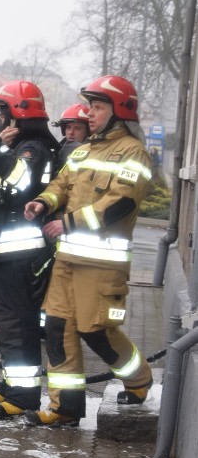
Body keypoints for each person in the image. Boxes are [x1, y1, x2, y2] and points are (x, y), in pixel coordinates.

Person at [23, 75, 154, 427]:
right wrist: (41, 202)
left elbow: (121, 203)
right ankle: (64, 407)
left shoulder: (133, 152)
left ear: (119, 111)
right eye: (90, 107)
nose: (89, 113)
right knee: (57, 327)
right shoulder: (83, 151)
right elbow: (61, 185)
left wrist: (68, 224)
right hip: (68, 260)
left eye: (97, 107)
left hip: (102, 266)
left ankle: (139, 380)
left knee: (96, 330)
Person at [0, 81, 60, 420]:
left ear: (18, 115)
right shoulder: (25, 146)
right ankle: (13, 385)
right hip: (6, 253)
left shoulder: (32, 150)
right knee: (8, 321)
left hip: (18, 254)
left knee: (15, 322)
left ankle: (23, 395)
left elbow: (14, 184)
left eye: (2, 112)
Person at [51, 103, 91, 171]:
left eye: (77, 128)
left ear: (87, 132)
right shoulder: (56, 151)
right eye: (68, 127)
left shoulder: (92, 155)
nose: (71, 132)